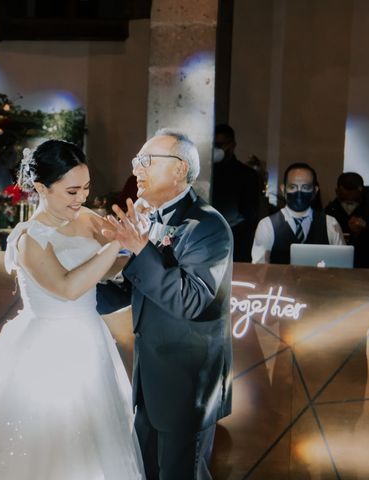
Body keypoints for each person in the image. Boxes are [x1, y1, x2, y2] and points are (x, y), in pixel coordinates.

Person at [0, 140, 144, 479]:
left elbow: (102, 269)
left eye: (86, 189)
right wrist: (118, 246)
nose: (81, 199)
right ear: (41, 188)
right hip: (46, 344)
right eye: (72, 191)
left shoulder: (88, 218)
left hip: (90, 339)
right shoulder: (28, 237)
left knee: (91, 439)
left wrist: (131, 243)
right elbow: (66, 287)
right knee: (43, 439)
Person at [99, 128, 234, 480]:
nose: (137, 170)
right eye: (136, 162)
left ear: (179, 169)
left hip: (187, 383)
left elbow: (190, 299)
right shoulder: (154, 220)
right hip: (151, 379)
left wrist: (142, 249)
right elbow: (133, 288)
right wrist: (72, 296)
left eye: (146, 161)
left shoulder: (208, 225)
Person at [252, 162, 345, 264]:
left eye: (305, 187)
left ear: (315, 191)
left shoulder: (331, 224)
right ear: (283, 189)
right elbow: (259, 269)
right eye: (292, 187)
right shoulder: (267, 225)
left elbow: (342, 266)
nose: (299, 192)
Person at [212, 124, 262, 262]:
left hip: (236, 247)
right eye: (213, 144)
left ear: (232, 145)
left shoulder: (247, 175)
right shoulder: (204, 174)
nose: (216, 149)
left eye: (219, 145)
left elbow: (250, 216)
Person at [325, 172, 369, 268]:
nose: (350, 205)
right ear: (337, 192)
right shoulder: (332, 210)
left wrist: (367, 225)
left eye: (354, 200)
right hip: (348, 262)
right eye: (345, 200)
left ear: (361, 191)